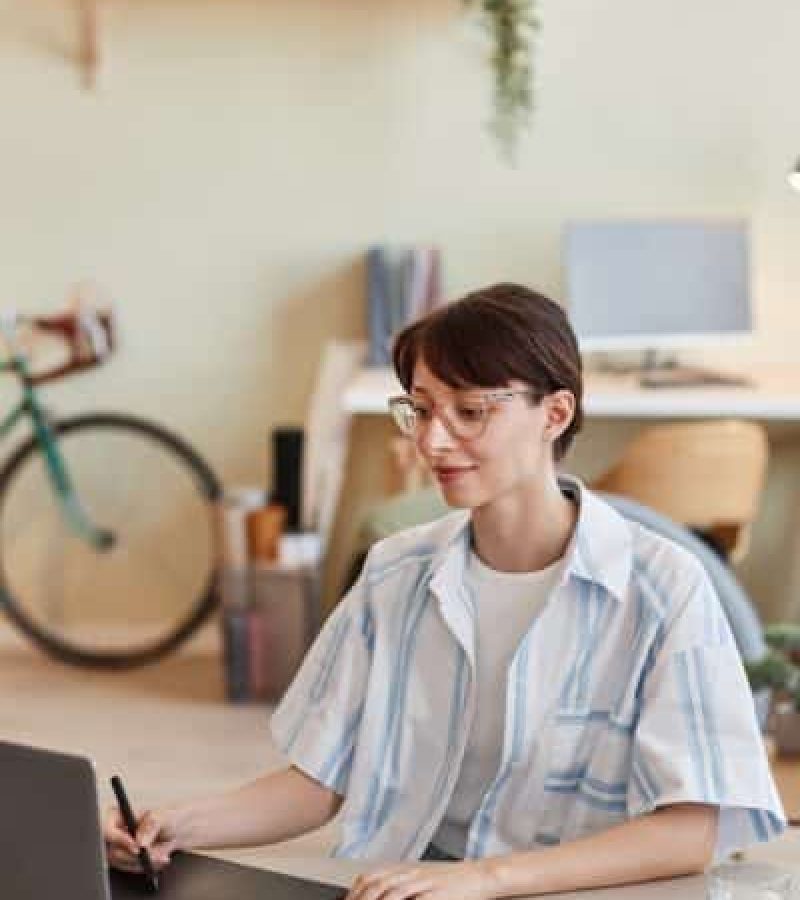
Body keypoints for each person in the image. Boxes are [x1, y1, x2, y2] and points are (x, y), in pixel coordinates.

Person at [106, 283, 785, 900]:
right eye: (422, 410)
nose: (434, 440)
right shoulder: (394, 575)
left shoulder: (663, 589)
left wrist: (482, 880)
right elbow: (317, 783)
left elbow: (690, 833)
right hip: (405, 888)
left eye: (469, 411)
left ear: (554, 414)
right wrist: (172, 824)